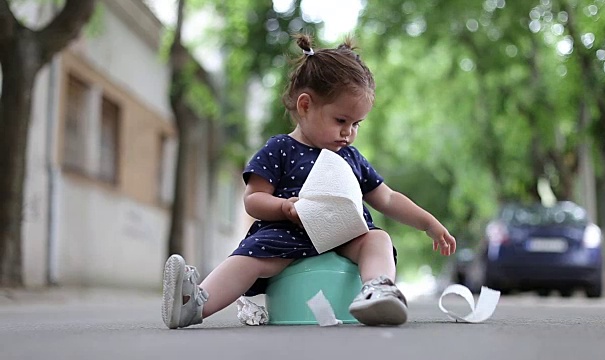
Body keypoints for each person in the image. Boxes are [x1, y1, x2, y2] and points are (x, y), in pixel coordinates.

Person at [161, 34, 457, 329]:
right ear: (305, 106)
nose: (349, 133)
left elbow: (388, 198)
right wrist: (284, 208)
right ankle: (195, 304)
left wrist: (428, 224)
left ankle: (377, 290)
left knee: (378, 238)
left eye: (356, 124)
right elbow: (253, 199)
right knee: (248, 259)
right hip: (288, 234)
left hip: (345, 234)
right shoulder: (280, 148)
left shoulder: (350, 157)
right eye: (341, 120)